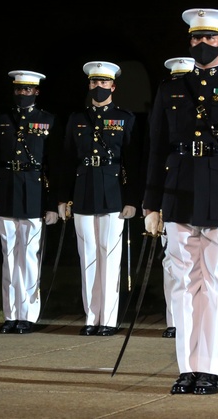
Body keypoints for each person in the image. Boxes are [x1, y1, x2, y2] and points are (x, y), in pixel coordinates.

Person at [142, 8, 218, 396]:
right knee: (182, 282)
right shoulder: (171, 89)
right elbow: (156, 149)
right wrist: (151, 203)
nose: (202, 44)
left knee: (214, 283)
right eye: (196, 38)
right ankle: (187, 367)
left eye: (210, 38)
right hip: (179, 192)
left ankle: (210, 368)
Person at [56, 61, 140, 337]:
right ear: (89, 85)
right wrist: (62, 198)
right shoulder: (76, 118)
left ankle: (109, 319)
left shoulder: (125, 118)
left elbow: (132, 161)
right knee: (88, 257)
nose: (99, 87)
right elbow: (67, 160)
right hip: (82, 193)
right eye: (94, 83)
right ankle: (92, 317)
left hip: (113, 194)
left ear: (113, 86)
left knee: (110, 256)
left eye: (104, 83)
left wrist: (131, 199)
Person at [0, 70, 58, 334]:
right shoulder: (2, 119)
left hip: (34, 192)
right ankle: (10, 314)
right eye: (18, 90)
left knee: (28, 256)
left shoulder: (47, 120)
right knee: (8, 256)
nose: (22, 94)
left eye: (28, 90)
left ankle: (28, 314)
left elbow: (53, 164)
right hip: (6, 190)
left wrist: (52, 204)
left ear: (36, 91)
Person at [158, 56, 194, 339]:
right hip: (167, 195)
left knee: (193, 264)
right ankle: (174, 319)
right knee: (171, 262)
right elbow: (154, 157)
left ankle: (191, 316)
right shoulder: (165, 112)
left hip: (192, 193)